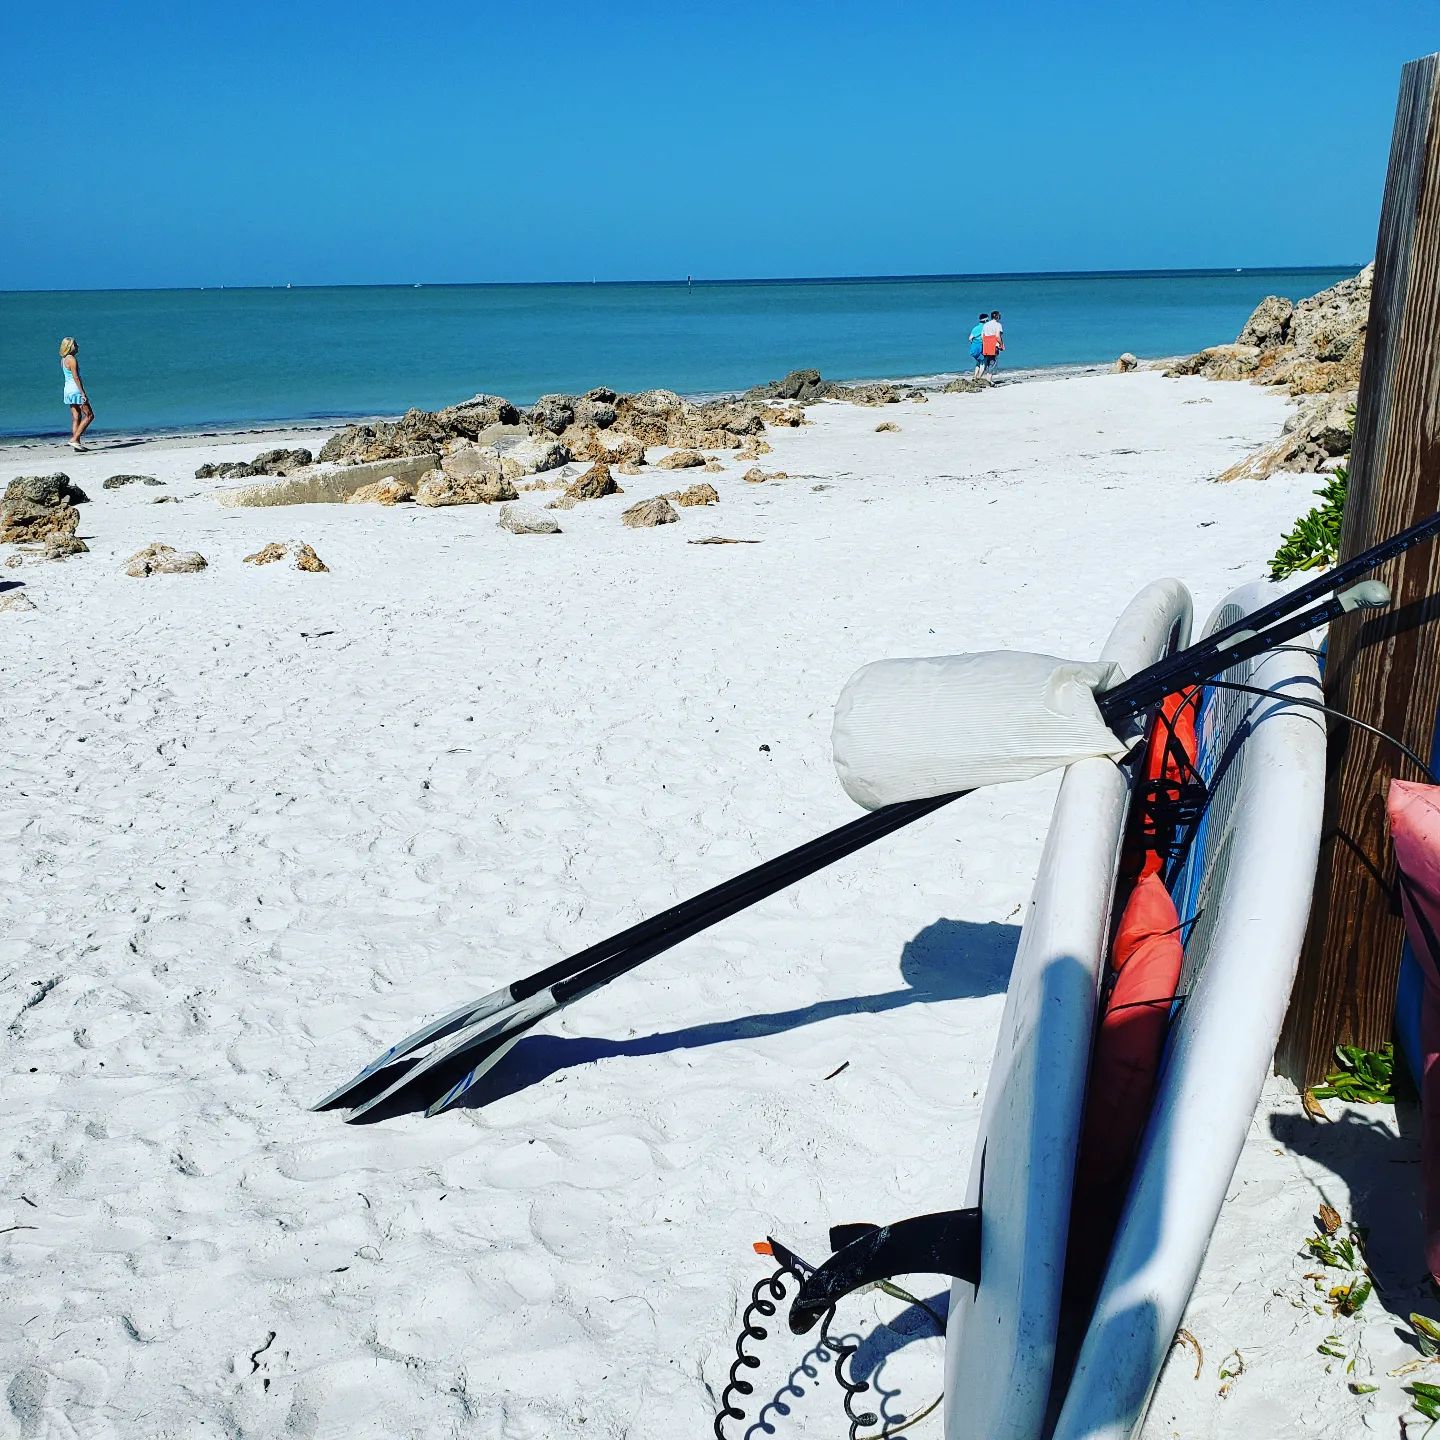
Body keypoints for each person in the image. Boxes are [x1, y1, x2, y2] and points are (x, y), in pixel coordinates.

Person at [60, 337, 94, 451]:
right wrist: (83, 393)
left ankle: (76, 444)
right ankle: (74, 439)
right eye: (75, 344)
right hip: (75, 390)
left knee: (76, 417)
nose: (77, 345)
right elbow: (76, 377)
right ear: (70, 346)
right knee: (89, 415)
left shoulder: (63, 359)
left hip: (67, 390)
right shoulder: (72, 359)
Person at [980, 310, 1005, 380]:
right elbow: (997, 336)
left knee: (987, 362)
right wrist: (1001, 344)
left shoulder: (985, 325)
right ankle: (989, 380)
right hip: (994, 345)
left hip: (986, 345)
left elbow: (982, 336)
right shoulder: (998, 325)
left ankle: (984, 378)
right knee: (993, 362)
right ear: (997, 316)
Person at [969, 312, 989, 379]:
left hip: (974, 348)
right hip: (981, 347)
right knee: (983, 363)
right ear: (985, 321)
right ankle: (979, 378)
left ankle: (975, 376)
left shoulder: (975, 328)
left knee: (978, 363)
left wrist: (974, 343)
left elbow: (970, 338)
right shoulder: (986, 328)